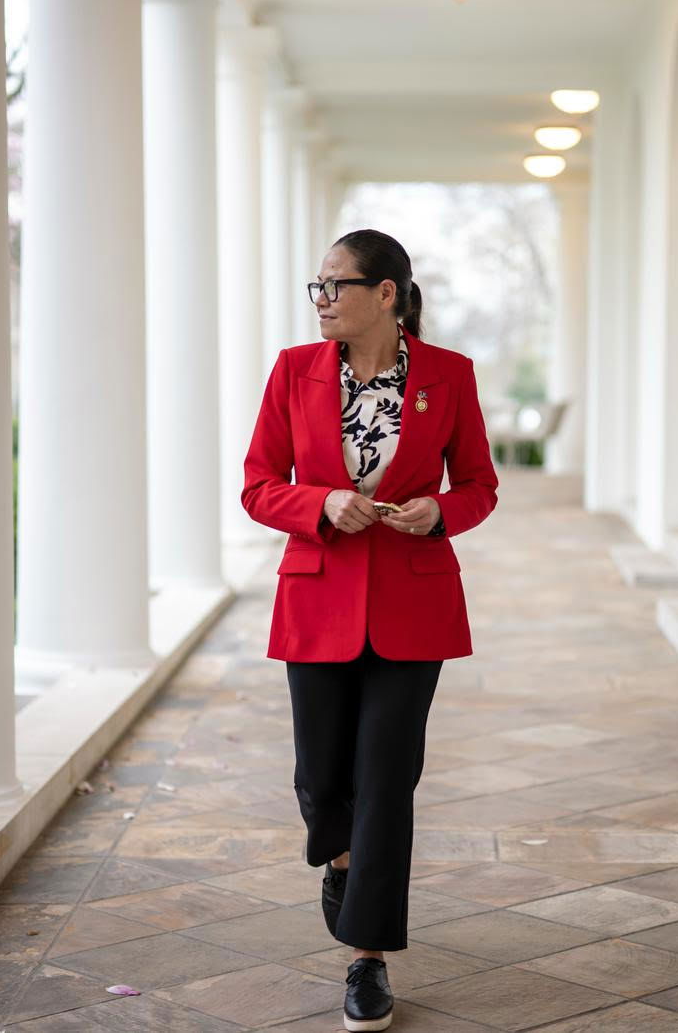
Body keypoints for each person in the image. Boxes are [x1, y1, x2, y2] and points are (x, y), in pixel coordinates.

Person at [240, 229, 500, 1031]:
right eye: (314, 288)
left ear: (385, 294)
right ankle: (343, 860)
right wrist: (317, 504)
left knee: (387, 780)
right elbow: (257, 485)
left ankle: (367, 960)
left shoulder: (449, 377)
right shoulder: (293, 371)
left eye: (334, 286)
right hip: (316, 597)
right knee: (322, 779)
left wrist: (439, 514)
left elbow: (481, 486)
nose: (321, 300)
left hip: (412, 608)